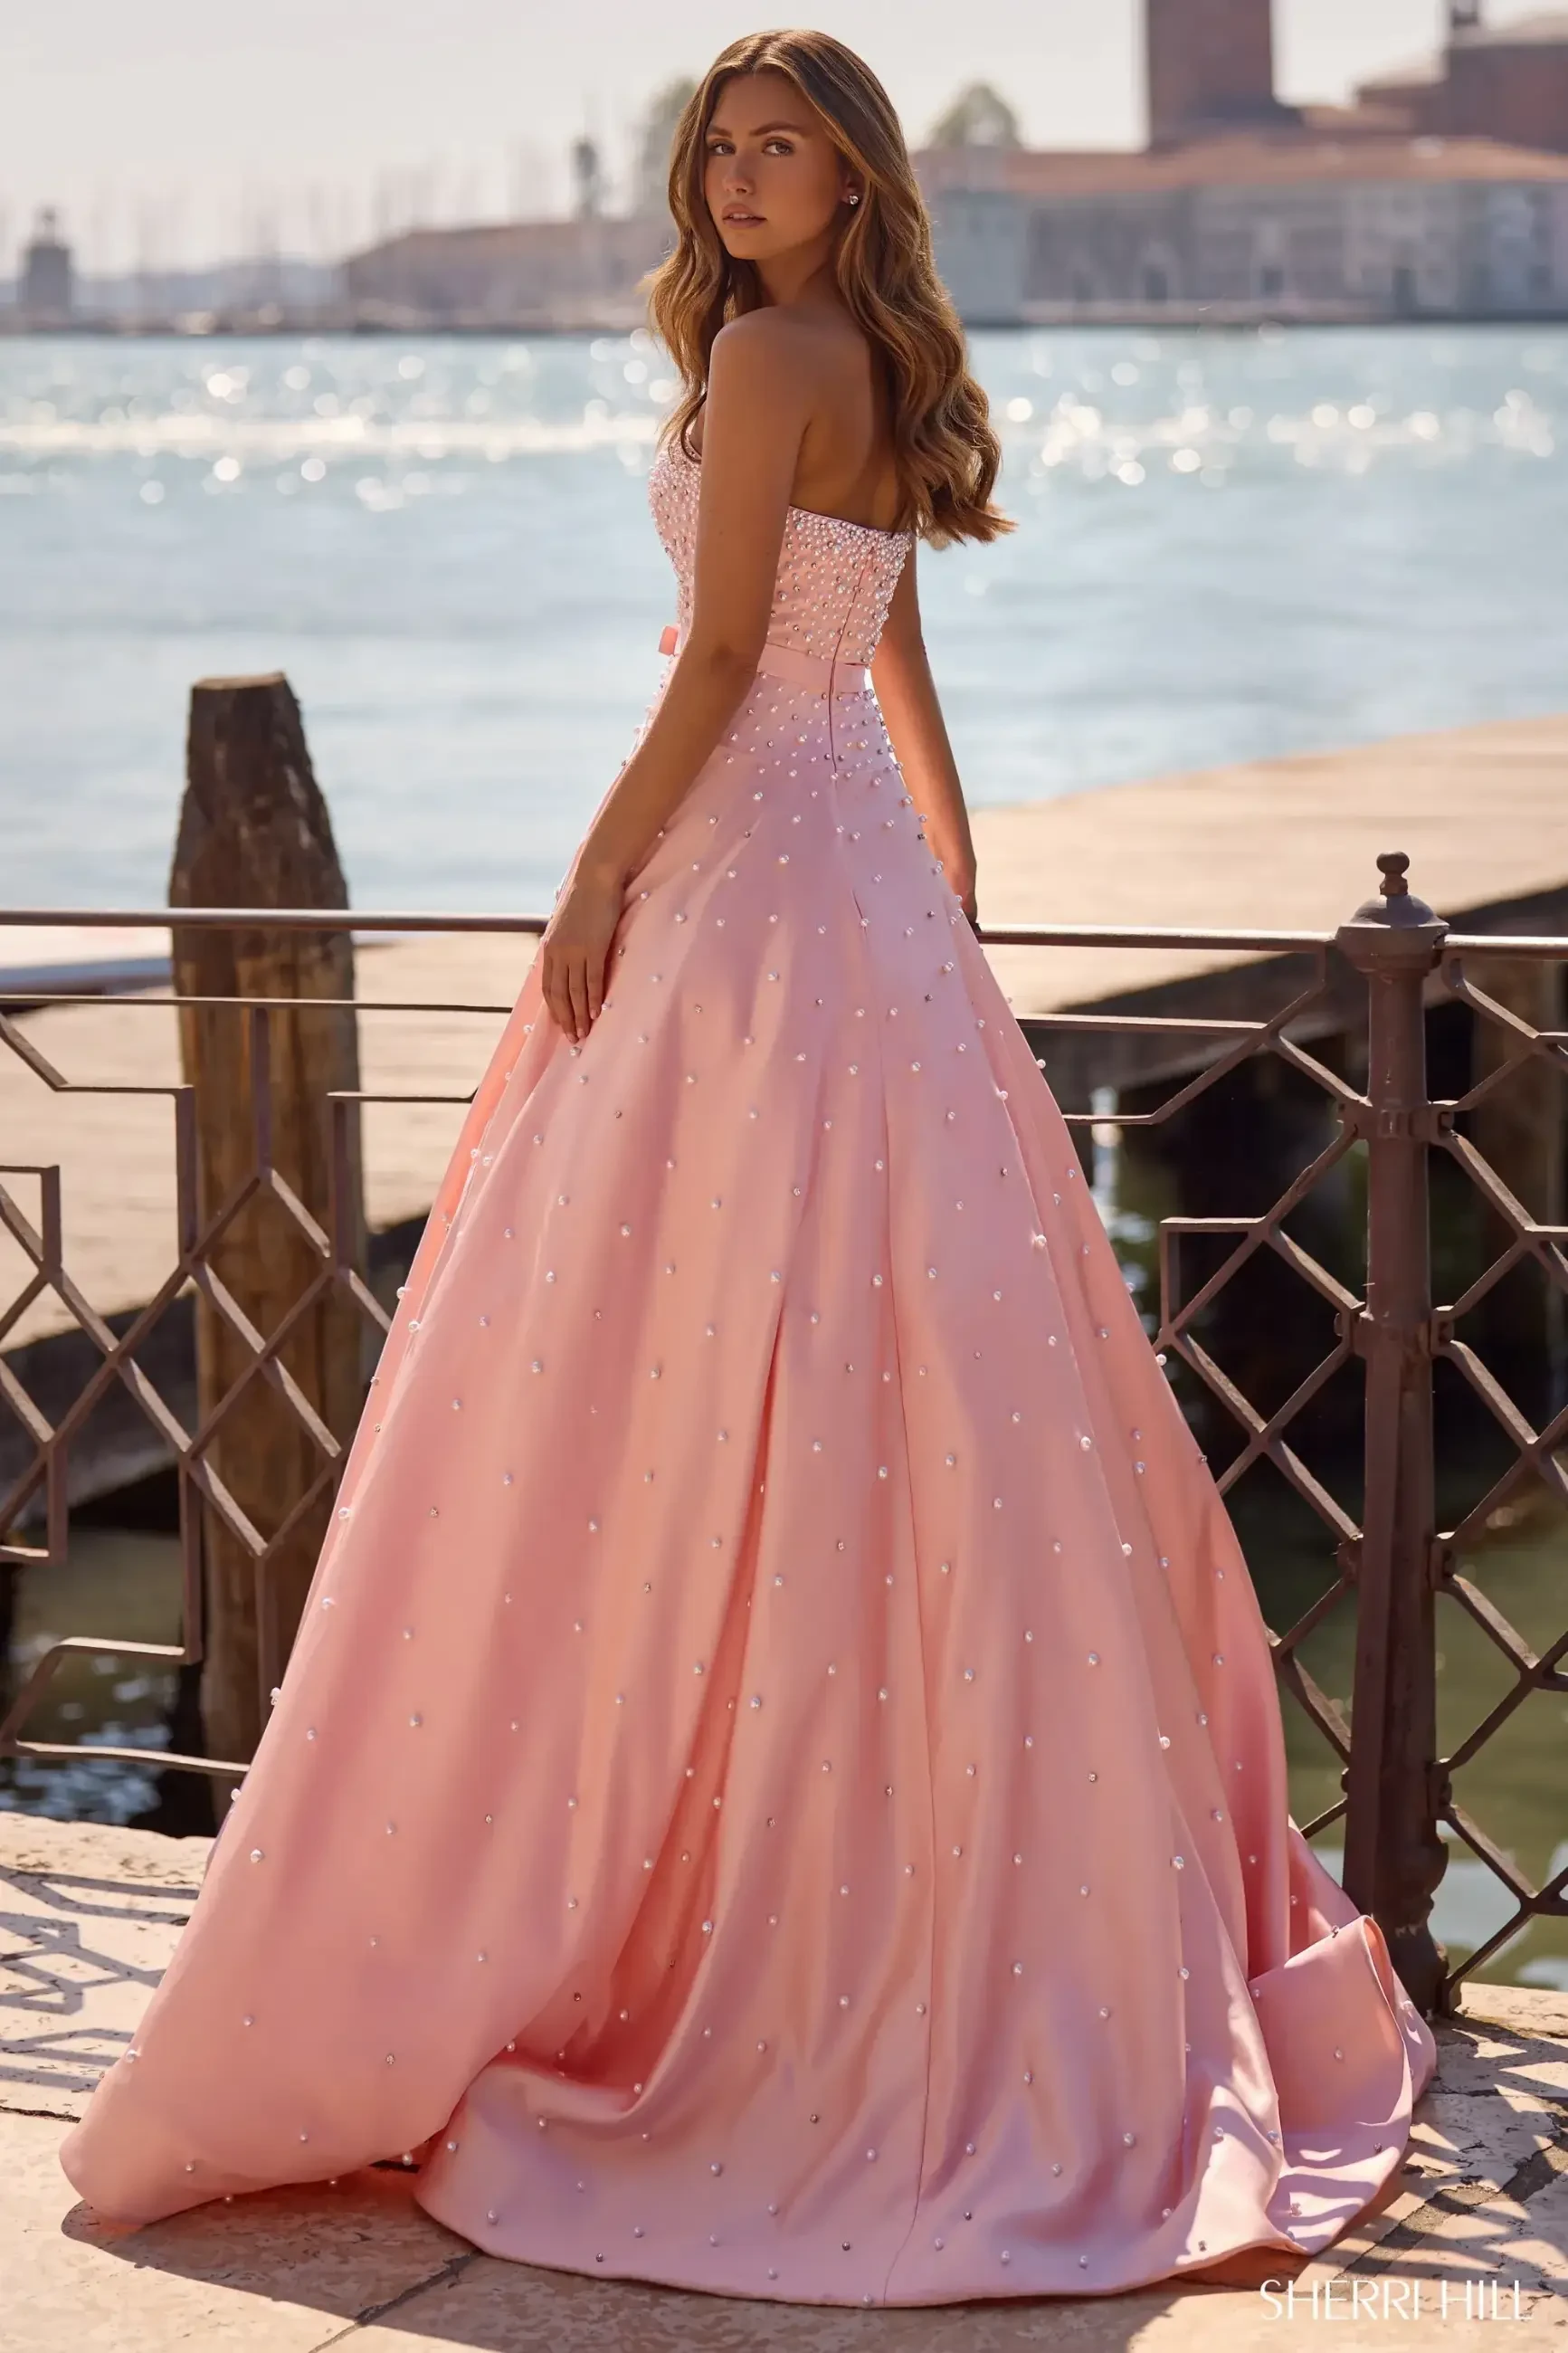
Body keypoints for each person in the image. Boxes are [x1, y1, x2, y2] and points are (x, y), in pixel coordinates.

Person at [61, 28, 1437, 2308]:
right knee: (871, 1352)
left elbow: (719, 655)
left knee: (651, 1333)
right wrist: (953, 876)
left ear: (849, 173)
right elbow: (880, 643)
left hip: (745, 878)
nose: (735, 173)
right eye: (716, 144)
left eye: (777, 143)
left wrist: (593, 873)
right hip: (852, 882)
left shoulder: (785, 349)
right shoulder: (860, 351)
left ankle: (661, 1863)